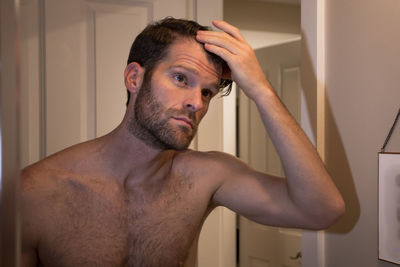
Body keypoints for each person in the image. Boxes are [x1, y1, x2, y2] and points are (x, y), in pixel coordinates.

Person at [21, 17, 345, 267]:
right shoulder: (34, 193)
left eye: (207, 92)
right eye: (180, 79)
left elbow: (322, 211)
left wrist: (260, 89)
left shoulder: (203, 177)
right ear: (135, 78)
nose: (197, 103)